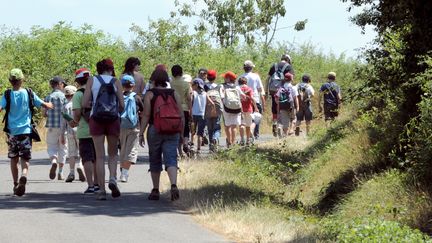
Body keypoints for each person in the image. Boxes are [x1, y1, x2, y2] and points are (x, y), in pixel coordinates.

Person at [0, 68, 53, 196]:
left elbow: (0, 107)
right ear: (22, 80)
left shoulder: (7, 94)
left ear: (10, 81)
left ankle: (15, 184)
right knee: (25, 157)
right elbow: (43, 104)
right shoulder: (29, 92)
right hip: (26, 131)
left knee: (13, 158)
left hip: (12, 132)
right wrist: (50, 105)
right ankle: (24, 175)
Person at [82, 58, 125, 200]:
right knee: (112, 154)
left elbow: (84, 103)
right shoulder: (116, 81)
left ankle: (101, 190)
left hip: (97, 119)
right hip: (113, 119)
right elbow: (122, 105)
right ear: (111, 69)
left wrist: (93, 103)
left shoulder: (92, 80)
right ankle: (113, 178)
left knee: (100, 156)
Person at [141, 68, 184, 201]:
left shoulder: (149, 94)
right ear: (166, 79)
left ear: (153, 80)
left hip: (155, 129)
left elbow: (146, 115)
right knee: (171, 158)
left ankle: (155, 190)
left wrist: (141, 132)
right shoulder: (174, 94)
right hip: (172, 130)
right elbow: (181, 115)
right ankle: (173, 185)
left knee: (155, 158)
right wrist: (182, 134)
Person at [72, 68, 99, 194]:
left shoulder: (78, 94)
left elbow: (77, 114)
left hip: (84, 131)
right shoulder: (96, 91)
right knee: (97, 158)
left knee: (87, 158)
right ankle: (98, 184)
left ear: (77, 81)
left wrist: (74, 121)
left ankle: (91, 185)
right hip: (98, 129)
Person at [119, 75, 144, 183]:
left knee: (123, 149)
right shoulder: (137, 97)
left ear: (122, 86)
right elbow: (143, 111)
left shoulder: (119, 97)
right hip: (134, 127)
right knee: (131, 150)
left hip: (121, 126)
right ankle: (124, 173)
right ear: (133, 85)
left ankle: (122, 170)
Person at [45, 76, 68, 181]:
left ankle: (54, 161)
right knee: (63, 148)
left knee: (51, 146)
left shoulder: (48, 97)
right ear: (59, 84)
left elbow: (43, 113)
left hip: (51, 126)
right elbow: (67, 112)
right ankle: (60, 172)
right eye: (62, 84)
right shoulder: (64, 97)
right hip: (63, 126)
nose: (63, 85)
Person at [62, 85, 85, 183]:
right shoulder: (78, 104)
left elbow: (62, 122)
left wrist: (62, 134)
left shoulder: (64, 106)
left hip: (69, 131)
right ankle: (80, 165)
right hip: (80, 130)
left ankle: (71, 172)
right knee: (82, 151)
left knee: (71, 153)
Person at [267, 54, 294, 137]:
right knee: (283, 107)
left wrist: (266, 91)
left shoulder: (274, 65)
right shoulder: (288, 66)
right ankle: (281, 126)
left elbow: (267, 78)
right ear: (288, 60)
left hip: (272, 89)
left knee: (274, 106)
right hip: (282, 90)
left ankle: (275, 122)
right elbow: (291, 79)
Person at [170, 65, 192, 156]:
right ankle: (186, 143)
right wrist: (191, 110)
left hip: (173, 109)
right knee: (186, 128)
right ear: (181, 72)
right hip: (184, 108)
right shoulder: (186, 84)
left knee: (175, 130)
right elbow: (189, 98)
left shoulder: (170, 83)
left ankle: (178, 152)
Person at [240, 60, 265, 139]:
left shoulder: (240, 77)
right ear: (251, 68)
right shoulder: (255, 76)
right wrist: (263, 101)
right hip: (255, 99)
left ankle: (247, 135)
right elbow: (260, 89)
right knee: (256, 117)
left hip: (243, 101)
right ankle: (255, 133)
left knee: (245, 119)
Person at [221, 71, 244, 147]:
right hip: (236, 108)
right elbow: (243, 96)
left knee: (227, 126)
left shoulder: (222, 86)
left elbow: (221, 97)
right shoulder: (237, 87)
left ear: (228, 79)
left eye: (225, 77)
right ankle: (233, 143)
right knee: (234, 126)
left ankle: (229, 142)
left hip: (226, 108)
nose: (224, 78)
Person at [274, 72, 298, 137]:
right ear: (291, 79)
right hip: (291, 106)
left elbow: (276, 99)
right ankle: (291, 130)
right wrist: (297, 107)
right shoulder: (293, 87)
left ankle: (285, 135)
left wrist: (280, 104)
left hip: (282, 106)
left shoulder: (281, 88)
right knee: (294, 118)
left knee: (285, 122)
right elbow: (295, 98)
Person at [204, 70, 223, 152]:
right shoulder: (219, 86)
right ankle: (215, 138)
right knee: (217, 128)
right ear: (215, 77)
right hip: (217, 110)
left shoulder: (204, 86)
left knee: (209, 128)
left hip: (207, 110)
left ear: (207, 77)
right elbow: (222, 97)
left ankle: (211, 146)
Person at [238, 77, 257, 145]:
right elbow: (252, 98)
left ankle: (242, 139)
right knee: (248, 125)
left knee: (241, 125)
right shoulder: (249, 89)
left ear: (239, 82)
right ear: (246, 82)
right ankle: (248, 140)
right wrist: (256, 107)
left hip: (240, 109)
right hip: (249, 109)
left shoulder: (237, 89)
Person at [190, 78, 207, 153]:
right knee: (200, 133)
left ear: (196, 85)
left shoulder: (193, 93)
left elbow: (190, 102)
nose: (192, 86)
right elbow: (211, 103)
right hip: (202, 115)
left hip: (193, 115)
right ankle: (199, 149)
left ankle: (192, 146)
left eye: (192, 85)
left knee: (193, 131)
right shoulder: (205, 93)